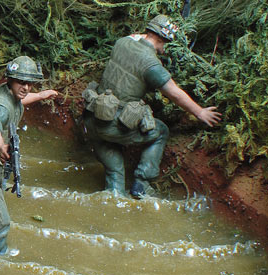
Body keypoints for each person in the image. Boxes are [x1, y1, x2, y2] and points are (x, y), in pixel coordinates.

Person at [84, 14, 221, 198]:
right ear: (164, 40)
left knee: (114, 173)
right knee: (161, 131)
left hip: (92, 119)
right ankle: (141, 183)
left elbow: (135, 37)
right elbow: (174, 93)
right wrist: (200, 112)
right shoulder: (151, 65)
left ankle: (114, 194)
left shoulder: (122, 42)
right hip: (114, 126)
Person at [0, 56, 59, 255]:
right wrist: (1, 147)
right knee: (0, 223)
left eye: (29, 83)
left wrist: (41, 95)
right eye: (21, 82)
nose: (26, 87)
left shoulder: (10, 93)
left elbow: (20, 100)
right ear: (11, 80)